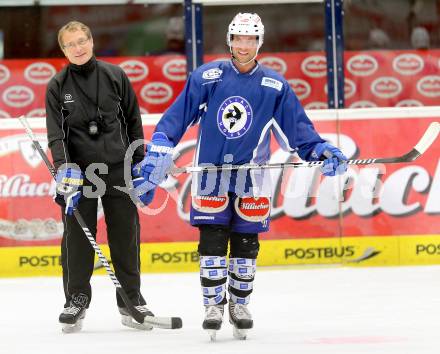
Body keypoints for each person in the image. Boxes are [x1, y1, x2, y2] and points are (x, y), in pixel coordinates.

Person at [137, 13, 347, 340]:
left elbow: (299, 132)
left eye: (250, 39)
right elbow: (174, 120)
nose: (243, 45)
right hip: (210, 176)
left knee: (246, 244)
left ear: (259, 42)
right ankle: (212, 305)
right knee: (212, 240)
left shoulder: (275, 85)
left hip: (253, 178)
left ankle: (239, 303)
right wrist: (158, 150)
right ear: (230, 40)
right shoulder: (207, 77)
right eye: (238, 38)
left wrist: (320, 150)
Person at [45, 21, 153, 333]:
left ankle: (130, 299)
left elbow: (133, 120)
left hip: (119, 167)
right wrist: (65, 168)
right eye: (70, 45)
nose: (77, 49)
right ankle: (76, 298)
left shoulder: (115, 75)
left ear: (91, 42)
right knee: (78, 237)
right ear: (63, 50)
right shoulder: (57, 85)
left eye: (82, 41)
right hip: (80, 173)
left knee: (126, 235)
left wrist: (138, 161)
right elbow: (56, 135)